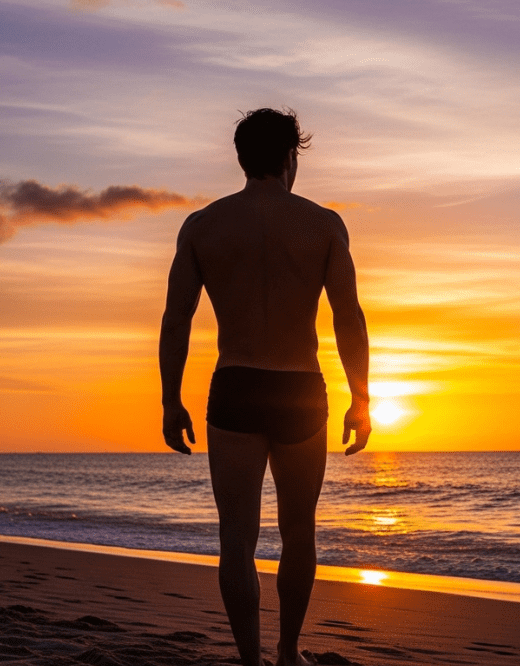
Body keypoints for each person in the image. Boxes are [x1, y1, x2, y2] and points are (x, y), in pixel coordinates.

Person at [158, 108, 371, 666]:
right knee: (300, 532)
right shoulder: (323, 224)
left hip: (235, 385)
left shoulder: (203, 225)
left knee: (237, 539)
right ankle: (288, 652)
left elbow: (176, 318)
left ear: (240, 158)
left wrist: (170, 399)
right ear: (289, 157)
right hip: (300, 390)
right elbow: (348, 317)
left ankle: (250, 658)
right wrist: (361, 398)